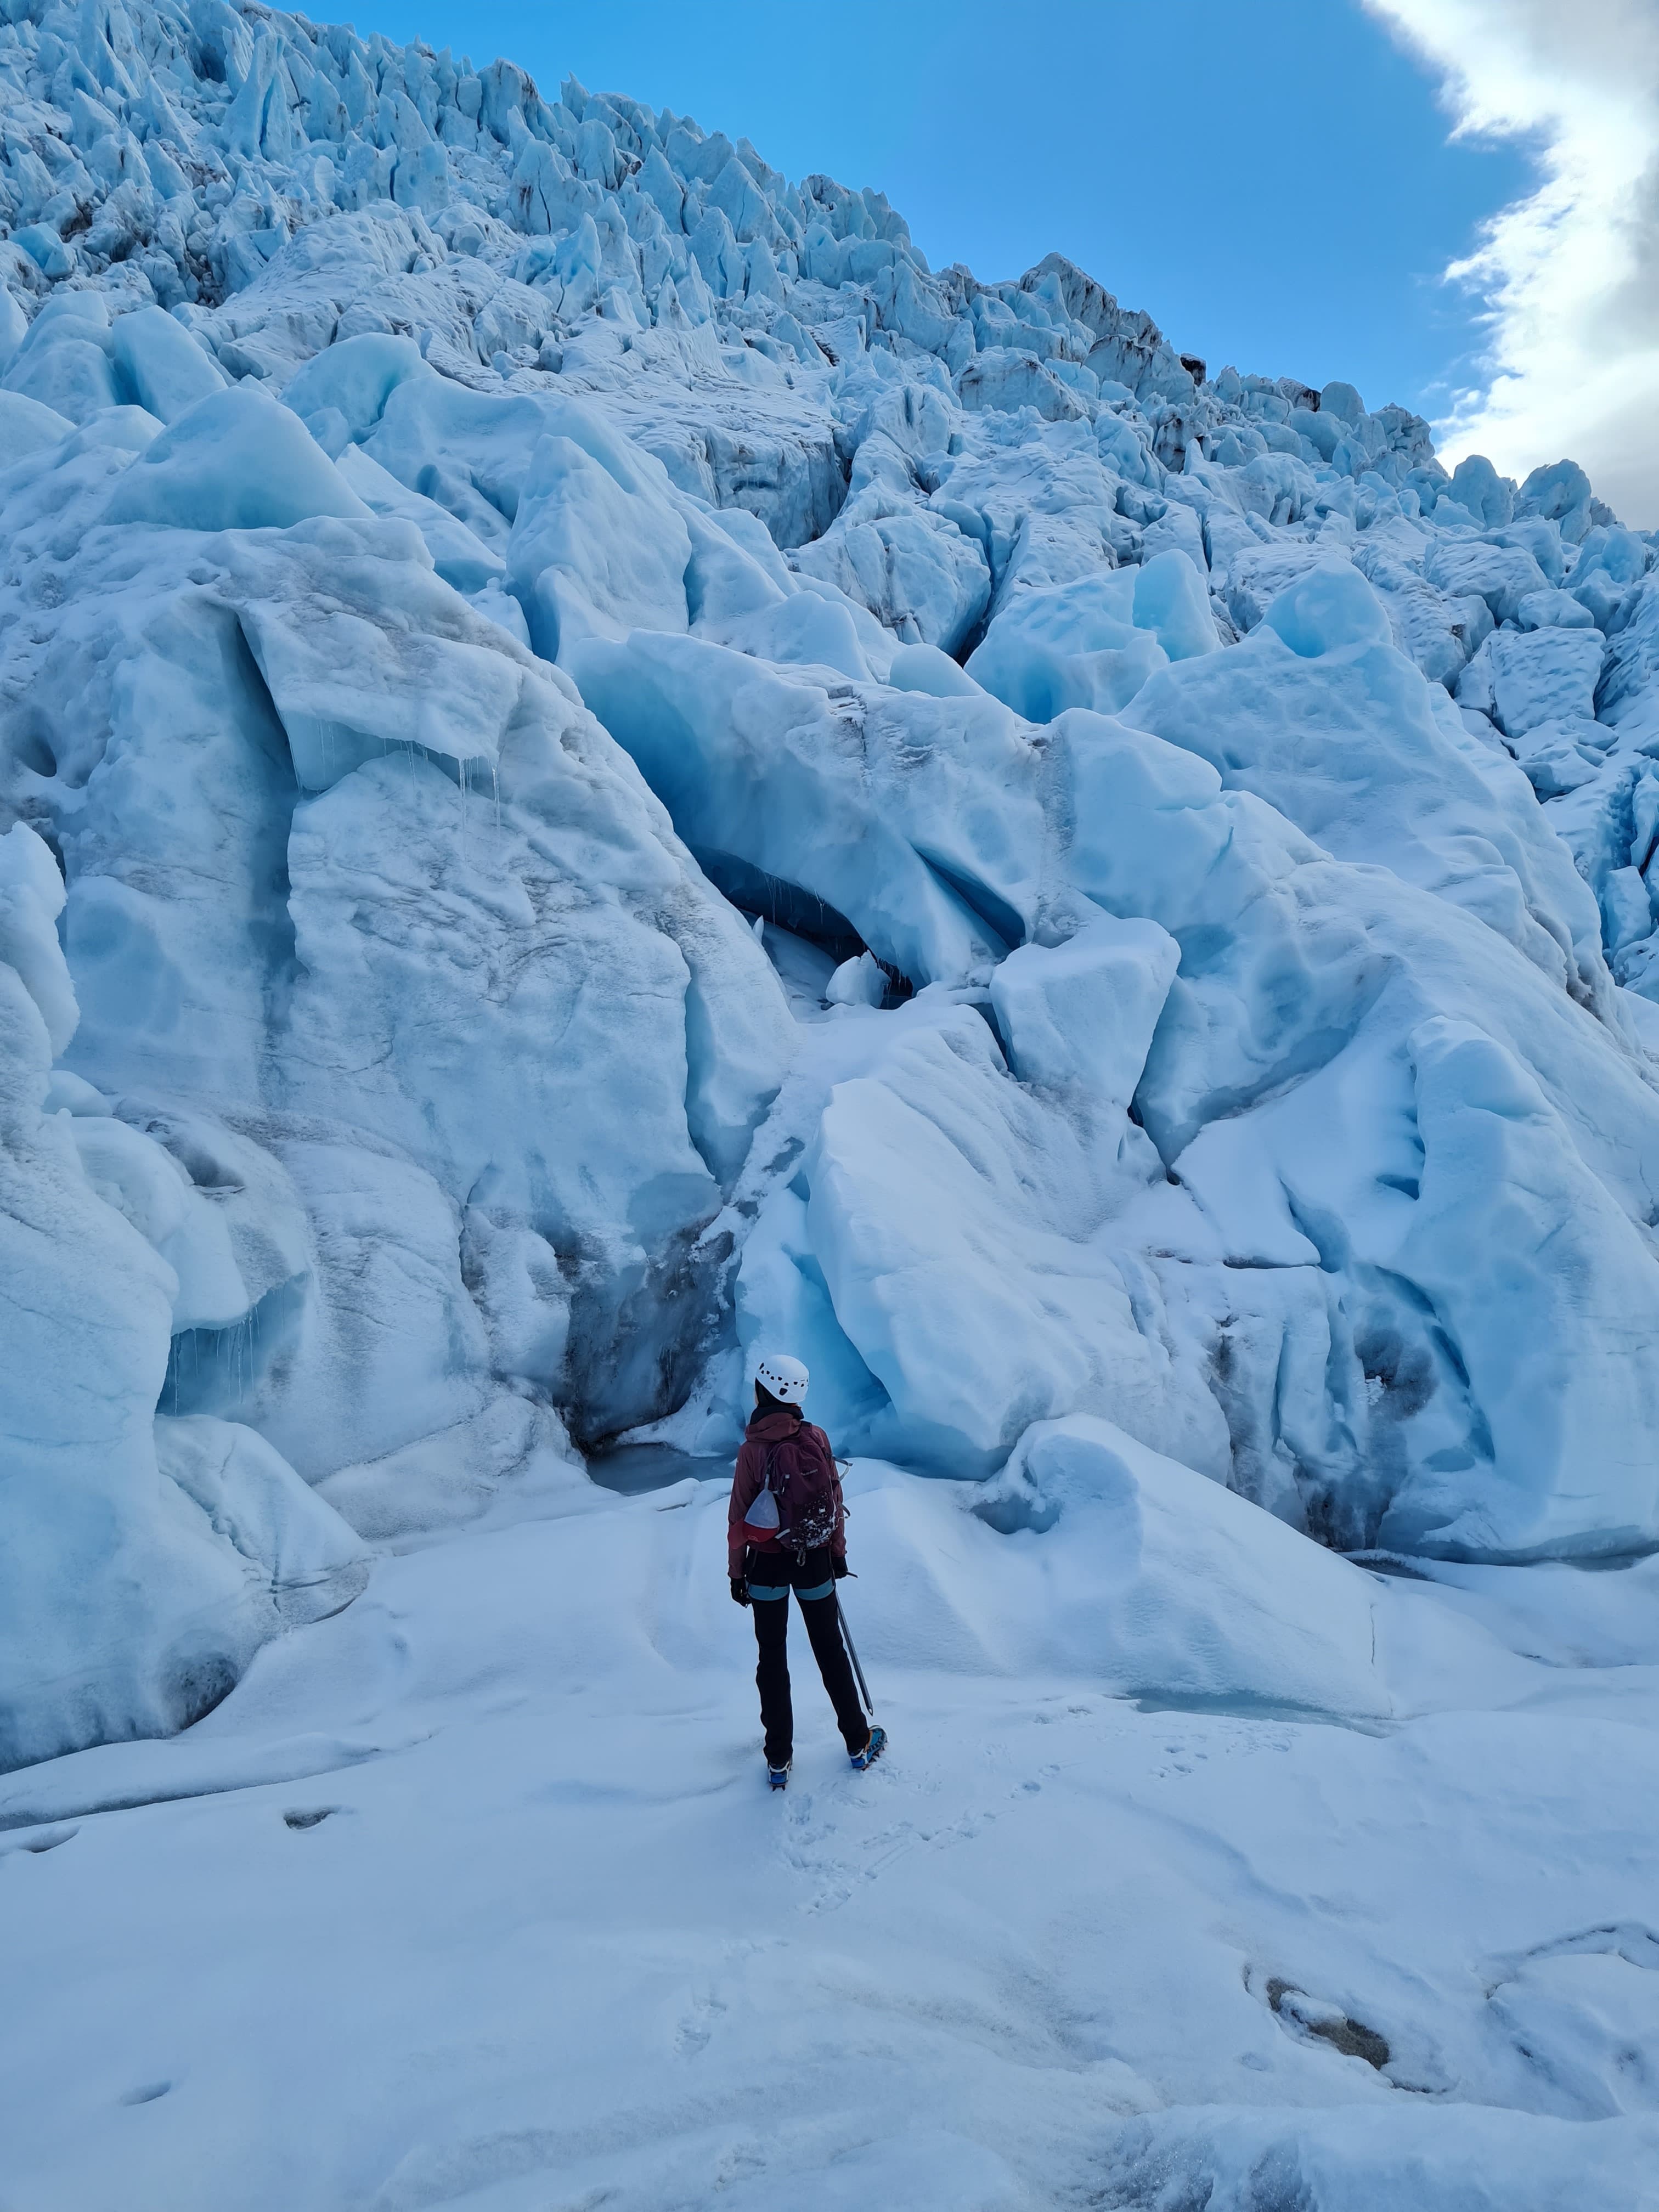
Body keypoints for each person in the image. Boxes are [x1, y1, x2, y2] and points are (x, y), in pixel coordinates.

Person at [728, 1352, 886, 1790]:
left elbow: (738, 1520)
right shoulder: (815, 1437)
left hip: (766, 1567)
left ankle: (778, 1759)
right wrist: (837, 1556)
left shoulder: (752, 1451)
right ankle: (858, 1742)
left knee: (772, 1659)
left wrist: (736, 1574)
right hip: (814, 1560)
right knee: (830, 1652)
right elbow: (834, 1505)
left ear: (763, 1392)